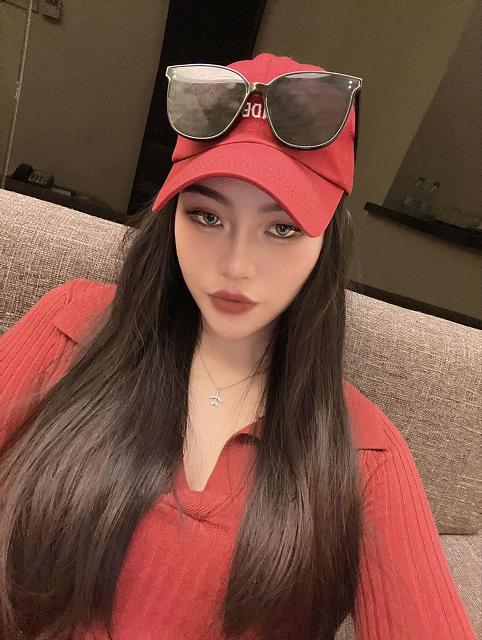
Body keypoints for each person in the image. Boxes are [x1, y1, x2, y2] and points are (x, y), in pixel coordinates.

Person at [0, 53, 476, 640]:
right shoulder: (71, 326)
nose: (236, 265)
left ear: (325, 242)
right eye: (206, 216)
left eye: (282, 228)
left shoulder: (363, 455)